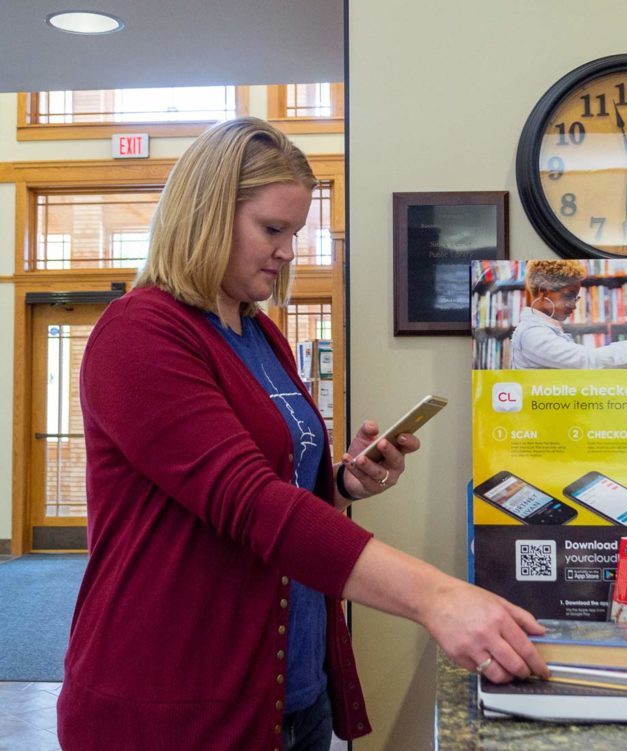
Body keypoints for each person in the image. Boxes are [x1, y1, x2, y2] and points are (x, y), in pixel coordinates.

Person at [57, 117, 547, 751]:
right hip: (173, 704)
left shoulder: (262, 337)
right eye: (273, 229)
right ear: (206, 217)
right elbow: (249, 503)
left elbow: (278, 486)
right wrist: (436, 597)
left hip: (291, 691)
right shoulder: (140, 335)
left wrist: (342, 480)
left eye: (295, 232)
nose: (289, 250)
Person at [509, 259, 627, 369]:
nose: (574, 306)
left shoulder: (544, 329)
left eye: (575, 298)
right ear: (544, 292)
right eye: (568, 296)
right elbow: (590, 361)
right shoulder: (533, 334)